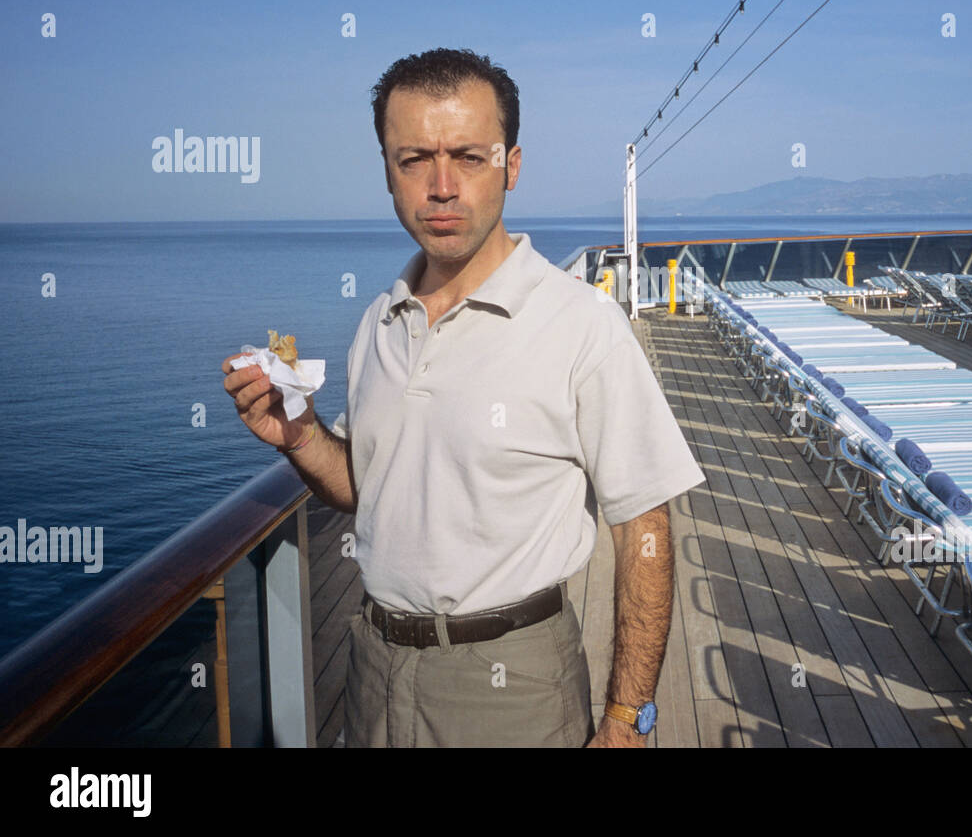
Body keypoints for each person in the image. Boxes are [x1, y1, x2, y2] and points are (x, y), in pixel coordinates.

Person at [222, 48, 704, 747]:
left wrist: (628, 718)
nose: (441, 186)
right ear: (386, 170)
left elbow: (645, 528)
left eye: (469, 157)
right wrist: (298, 435)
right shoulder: (379, 323)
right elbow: (366, 484)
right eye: (413, 158)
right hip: (374, 669)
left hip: (514, 683)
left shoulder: (580, 324)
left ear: (511, 165)